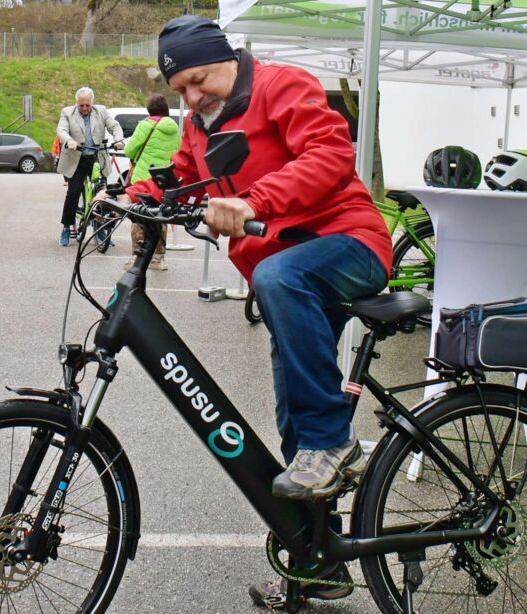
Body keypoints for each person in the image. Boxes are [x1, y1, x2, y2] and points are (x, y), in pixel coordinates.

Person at [99, 15, 392, 606]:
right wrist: (129, 195)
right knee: (293, 421)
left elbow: (330, 156)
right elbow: (182, 179)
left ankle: (334, 441)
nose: (191, 98)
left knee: (279, 283)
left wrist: (254, 201)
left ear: (227, 60)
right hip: (290, 279)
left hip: (348, 243)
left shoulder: (283, 85)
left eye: (198, 81)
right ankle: (319, 560)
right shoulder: (197, 126)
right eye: (179, 89)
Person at [56, 86, 124, 247]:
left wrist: (119, 139)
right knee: (73, 193)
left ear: (92, 103)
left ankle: (101, 229)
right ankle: (66, 228)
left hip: (96, 158)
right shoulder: (67, 113)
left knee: (103, 195)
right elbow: (61, 130)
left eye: (88, 105)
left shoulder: (101, 111)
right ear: (77, 103)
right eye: (82, 105)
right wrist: (69, 141)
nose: (85, 108)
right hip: (76, 159)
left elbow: (114, 126)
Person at [123, 94, 182, 271]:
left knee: (139, 217)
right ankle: (158, 258)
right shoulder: (174, 128)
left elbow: (129, 150)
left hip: (143, 178)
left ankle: (137, 257)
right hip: (164, 179)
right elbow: (178, 151)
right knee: (161, 217)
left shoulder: (145, 125)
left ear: (149, 109)